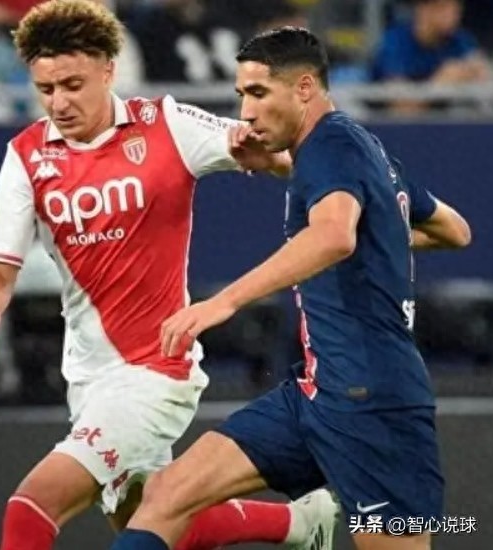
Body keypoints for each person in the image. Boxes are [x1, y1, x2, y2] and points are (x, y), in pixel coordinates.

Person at [0, 2, 339, 550]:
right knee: (157, 519)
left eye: (72, 84)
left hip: (156, 372)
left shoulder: (166, 123)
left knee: (30, 507)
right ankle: (301, 524)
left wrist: (318, 182)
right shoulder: (24, 156)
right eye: (46, 89)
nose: (59, 102)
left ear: (108, 70)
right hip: (88, 378)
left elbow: (270, 155)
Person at [110, 27, 472, 550]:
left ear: (304, 88)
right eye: (241, 95)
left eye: (259, 93)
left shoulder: (330, 145)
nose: (246, 113)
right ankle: (304, 524)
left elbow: (333, 235)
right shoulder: (357, 151)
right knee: (167, 495)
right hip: (315, 396)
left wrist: (224, 301)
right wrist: (360, 222)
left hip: (373, 404)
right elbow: (454, 230)